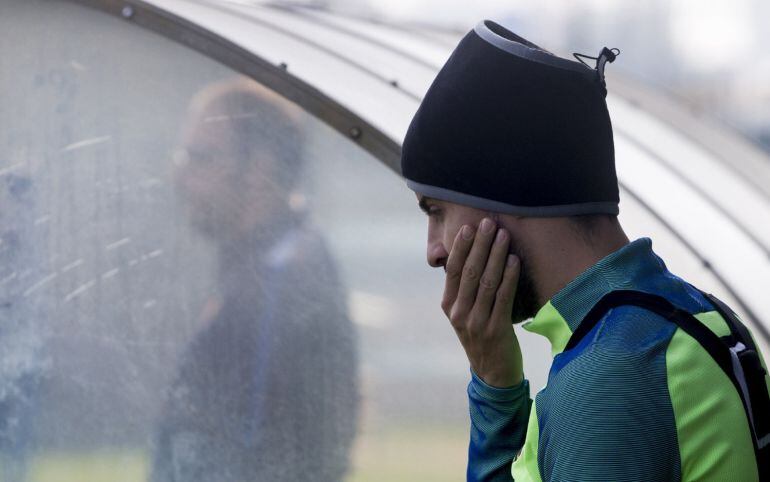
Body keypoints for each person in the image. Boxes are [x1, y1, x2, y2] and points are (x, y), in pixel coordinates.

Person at [401, 21, 770, 481]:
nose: (434, 251)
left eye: (436, 210)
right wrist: (495, 378)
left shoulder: (608, 375)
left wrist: (495, 410)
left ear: (499, 194)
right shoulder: (688, 314)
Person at [151, 78, 358, 481]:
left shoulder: (279, 286)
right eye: (182, 156)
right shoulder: (274, 265)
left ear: (258, 170)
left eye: (201, 157)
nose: (179, 175)